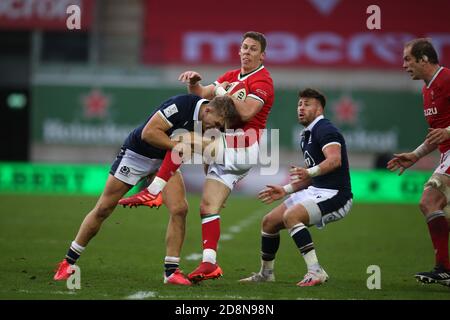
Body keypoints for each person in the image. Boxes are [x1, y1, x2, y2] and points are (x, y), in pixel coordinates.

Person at [119, 31, 275, 283]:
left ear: (262, 55)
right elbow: (203, 94)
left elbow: (245, 112)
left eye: (253, 49)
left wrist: (224, 92)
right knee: (208, 207)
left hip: (244, 146)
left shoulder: (263, 81)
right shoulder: (231, 77)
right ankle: (209, 264)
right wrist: (193, 82)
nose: (246, 52)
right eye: (244, 47)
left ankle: (154, 190)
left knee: (184, 140)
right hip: (228, 149)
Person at [53, 94, 238, 286]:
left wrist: (211, 186)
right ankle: (67, 262)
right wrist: (176, 146)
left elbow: (207, 155)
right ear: (207, 110)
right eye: (216, 123)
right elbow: (149, 133)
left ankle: (171, 273)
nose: (215, 128)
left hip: (164, 162)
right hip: (137, 155)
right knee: (103, 208)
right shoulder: (181, 105)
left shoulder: (206, 123)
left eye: (220, 127)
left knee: (180, 210)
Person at [240, 88, 353, 286]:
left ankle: (316, 271)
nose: (301, 108)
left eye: (307, 104)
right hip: (316, 191)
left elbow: (335, 161)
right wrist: (285, 190)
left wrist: (309, 172)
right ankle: (266, 274)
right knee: (269, 222)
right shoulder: (306, 135)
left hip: (336, 195)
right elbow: (312, 176)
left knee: (291, 216)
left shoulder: (325, 129)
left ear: (319, 108)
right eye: (299, 104)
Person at [386, 38, 450, 286]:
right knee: (440, 212)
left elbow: (444, 132)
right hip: (446, 156)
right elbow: (436, 135)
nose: (403, 65)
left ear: (424, 59)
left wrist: (448, 132)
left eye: (407, 59)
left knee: (429, 200)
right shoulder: (426, 91)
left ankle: (444, 268)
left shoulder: (446, 79)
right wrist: (416, 155)